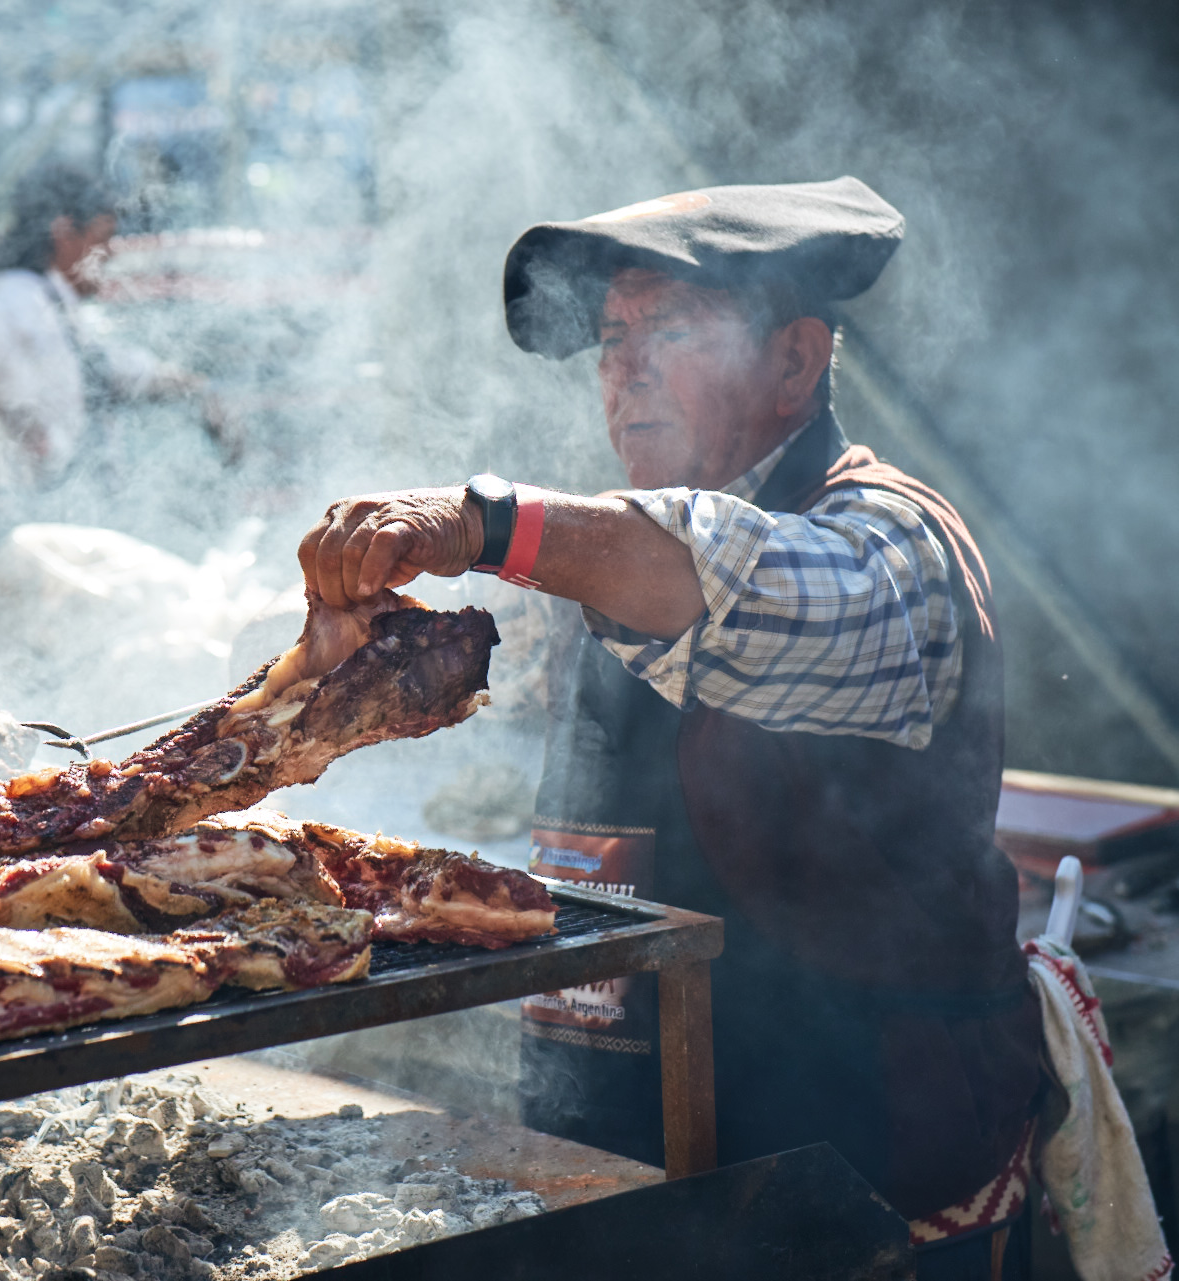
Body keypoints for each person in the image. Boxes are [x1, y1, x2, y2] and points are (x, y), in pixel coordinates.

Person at [298, 179, 1045, 1280]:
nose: (623, 369)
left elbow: (724, 570)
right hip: (626, 1151)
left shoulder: (891, 544)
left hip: (852, 1181)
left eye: (672, 331)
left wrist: (483, 522)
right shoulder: (614, 558)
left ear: (796, 361)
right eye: (610, 338)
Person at [0, 163, 234, 547]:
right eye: (101, 238)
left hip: (52, 514)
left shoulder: (48, 302)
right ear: (64, 232)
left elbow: (106, 367)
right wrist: (37, 437)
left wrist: (197, 388)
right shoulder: (13, 296)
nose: (108, 254)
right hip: (24, 519)